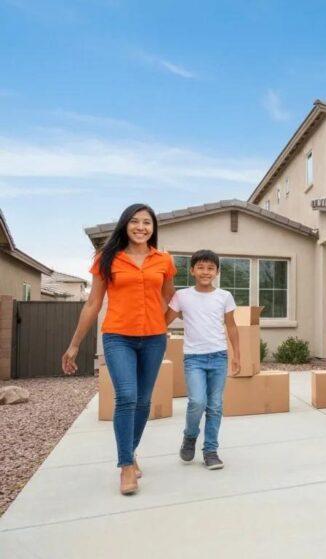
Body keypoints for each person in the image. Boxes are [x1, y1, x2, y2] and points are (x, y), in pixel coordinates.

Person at [62, 203, 176, 495]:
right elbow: (93, 303)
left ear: (153, 228)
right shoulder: (107, 258)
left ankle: (130, 450)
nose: (141, 227)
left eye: (147, 223)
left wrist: (162, 325)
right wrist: (74, 344)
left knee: (143, 401)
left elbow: (172, 300)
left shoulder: (163, 260)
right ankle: (126, 466)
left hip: (153, 339)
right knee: (126, 396)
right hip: (118, 337)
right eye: (135, 222)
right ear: (125, 225)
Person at [164, 250, 240, 470]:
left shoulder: (224, 296)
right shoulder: (182, 296)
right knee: (197, 402)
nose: (205, 272)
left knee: (215, 406)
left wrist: (237, 355)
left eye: (210, 268)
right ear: (192, 270)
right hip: (193, 358)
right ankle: (190, 436)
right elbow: (164, 321)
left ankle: (210, 451)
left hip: (218, 357)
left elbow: (232, 326)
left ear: (217, 271)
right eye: (201, 267)